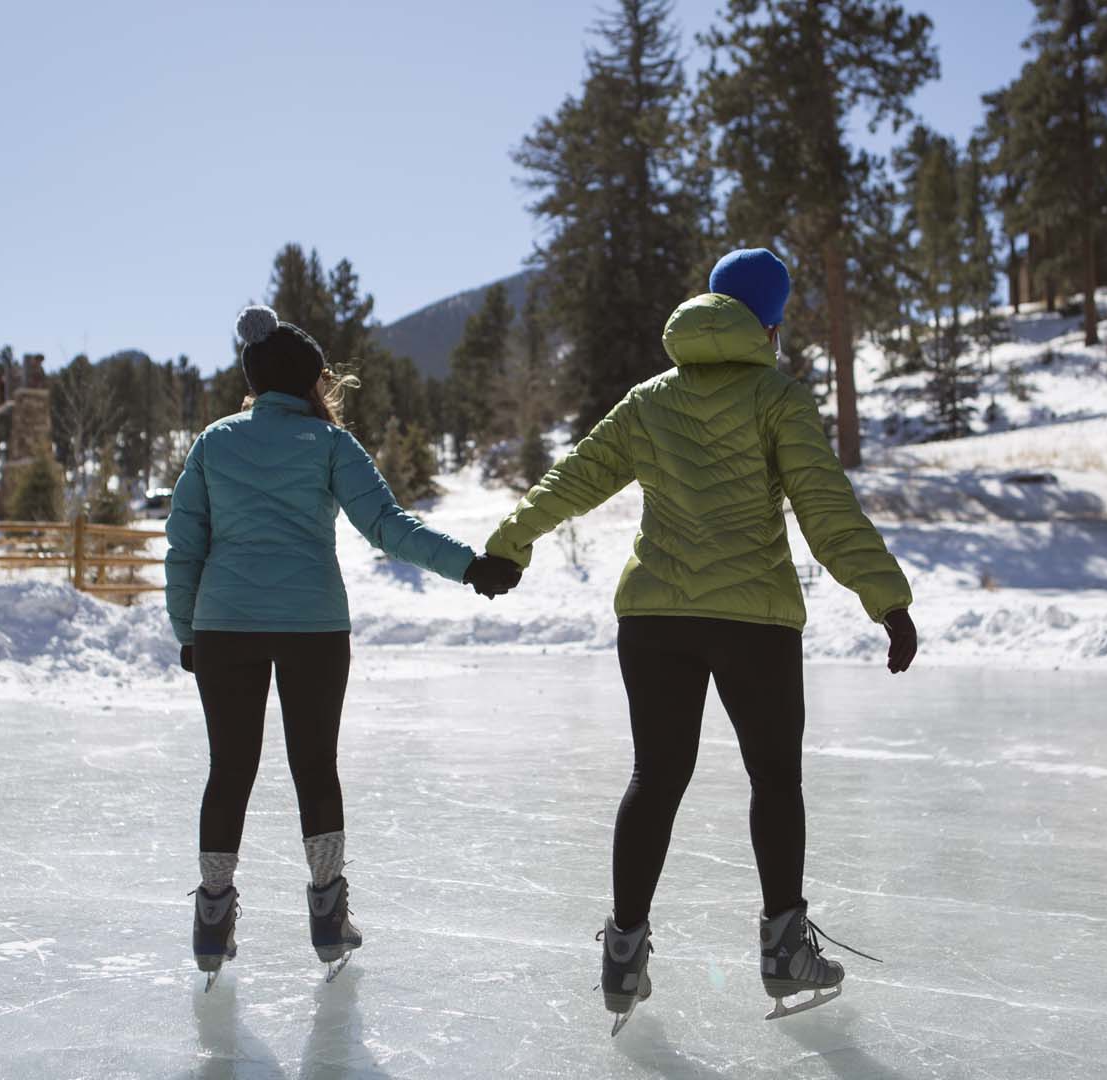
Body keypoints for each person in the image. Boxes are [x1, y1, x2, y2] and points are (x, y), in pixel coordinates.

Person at [484, 249, 917, 1027]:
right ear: (770, 324)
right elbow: (826, 510)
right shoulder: (776, 397)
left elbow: (574, 477)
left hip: (654, 620)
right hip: (753, 623)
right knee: (774, 779)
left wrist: (508, 542)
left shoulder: (649, 398)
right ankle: (785, 951)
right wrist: (886, 601)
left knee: (656, 778)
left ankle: (622, 954)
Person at [166, 305, 521, 987]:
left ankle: (213, 916)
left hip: (225, 627)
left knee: (229, 768)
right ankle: (328, 917)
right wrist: (469, 566)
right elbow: (387, 526)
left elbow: (185, 548)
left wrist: (189, 633)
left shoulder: (215, 441)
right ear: (310, 383)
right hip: (312, 627)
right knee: (315, 766)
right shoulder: (329, 446)